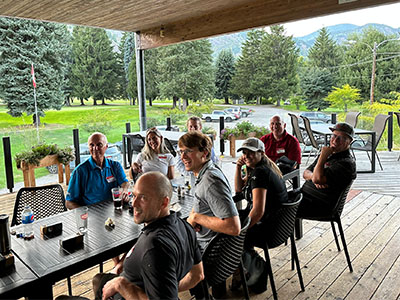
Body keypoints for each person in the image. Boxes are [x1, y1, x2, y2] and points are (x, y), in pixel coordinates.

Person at [92, 172, 204, 300]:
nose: (133, 203)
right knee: (98, 280)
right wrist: (166, 288)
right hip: (130, 281)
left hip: (124, 291)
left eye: (143, 197)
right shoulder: (186, 227)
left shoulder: (155, 247)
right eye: (134, 196)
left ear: (164, 202)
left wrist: (121, 285)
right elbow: (198, 275)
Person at [178, 131, 240, 298]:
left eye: (188, 151)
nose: (183, 156)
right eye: (180, 151)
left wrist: (197, 218)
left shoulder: (210, 180)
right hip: (212, 249)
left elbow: (233, 227)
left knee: (157, 260)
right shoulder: (205, 173)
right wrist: (193, 218)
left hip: (210, 255)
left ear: (204, 153)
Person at [233, 137, 288, 293]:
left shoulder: (261, 173)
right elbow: (238, 189)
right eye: (244, 152)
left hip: (269, 229)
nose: (246, 156)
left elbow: (257, 211)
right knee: (231, 221)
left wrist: (240, 231)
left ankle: (253, 271)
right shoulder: (262, 168)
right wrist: (238, 167)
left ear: (261, 153)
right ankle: (242, 270)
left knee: (229, 234)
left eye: (251, 152)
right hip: (279, 225)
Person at [297, 122, 357, 218]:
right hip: (305, 197)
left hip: (320, 206)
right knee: (273, 199)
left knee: (278, 208)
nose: (335, 140)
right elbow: (305, 173)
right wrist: (314, 176)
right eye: (334, 136)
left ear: (349, 142)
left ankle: (285, 233)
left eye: (341, 138)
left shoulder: (346, 163)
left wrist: (322, 157)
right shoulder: (329, 154)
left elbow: (318, 180)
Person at [66, 132, 129, 209]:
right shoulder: (79, 171)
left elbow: (125, 182)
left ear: (106, 147)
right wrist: (85, 213)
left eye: (99, 145)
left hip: (113, 209)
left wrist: (124, 191)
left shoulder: (115, 166)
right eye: (91, 145)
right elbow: (69, 203)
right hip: (92, 213)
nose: (95, 148)